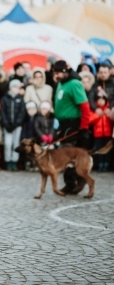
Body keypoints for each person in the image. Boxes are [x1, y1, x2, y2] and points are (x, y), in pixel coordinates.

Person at [52, 60, 92, 194]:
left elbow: (85, 107)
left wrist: (84, 127)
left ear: (65, 72)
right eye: (54, 73)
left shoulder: (74, 84)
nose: (55, 75)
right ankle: (70, 183)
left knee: (68, 156)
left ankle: (78, 180)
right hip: (63, 125)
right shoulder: (61, 83)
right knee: (64, 155)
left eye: (58, 73)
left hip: (73, 124)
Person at [0, 79, 26, 171]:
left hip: (17, 126)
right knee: (7, 143)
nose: (16, 89)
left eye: (17, 87)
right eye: (14, 87)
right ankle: (7, 160)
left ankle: (14, 161)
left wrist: (17, 123)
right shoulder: (5, 98)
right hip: (7, 126)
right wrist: (6, 123)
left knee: (16, 144)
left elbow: (22, 112)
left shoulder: (20, 99)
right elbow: (2, 112)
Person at [89, 88, 113, 172]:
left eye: (103, 100)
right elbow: (90, 120)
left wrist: (109, 114)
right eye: (99, 100)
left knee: (107, 150)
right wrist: (97, 115)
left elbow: (111, 120)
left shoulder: (108, 110)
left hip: (107, 134)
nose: (101, 102)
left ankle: (106, 164)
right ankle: (100, 164)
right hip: (98, 134)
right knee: (99, 150)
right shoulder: (95, 111)